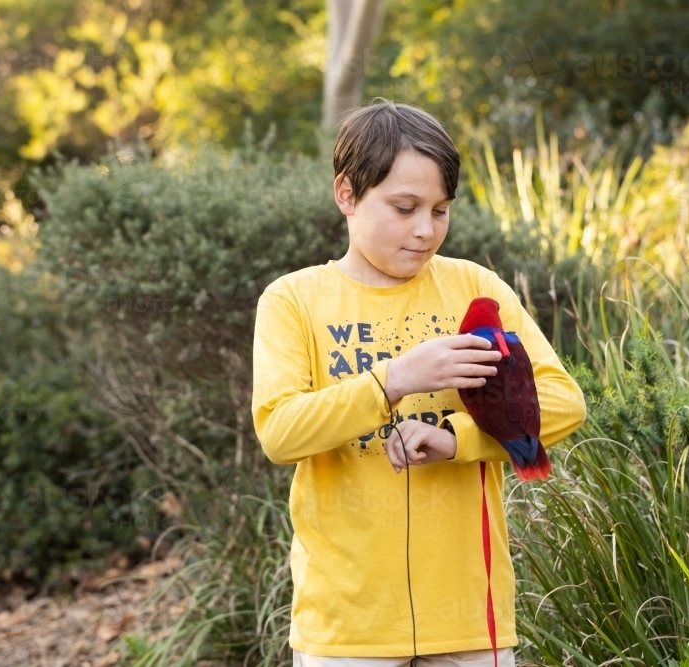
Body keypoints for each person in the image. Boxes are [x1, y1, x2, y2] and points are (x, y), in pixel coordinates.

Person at [251, 98, 587, 667]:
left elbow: (561, 402)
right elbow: (280, 433)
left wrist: (459, 440)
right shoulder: (294, 300)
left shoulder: (472, 287)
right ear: (346, 194)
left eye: (440, 209)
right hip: (348, 627)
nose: (425, 230)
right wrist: (394, 378)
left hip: (469, 621)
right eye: (404, 208)